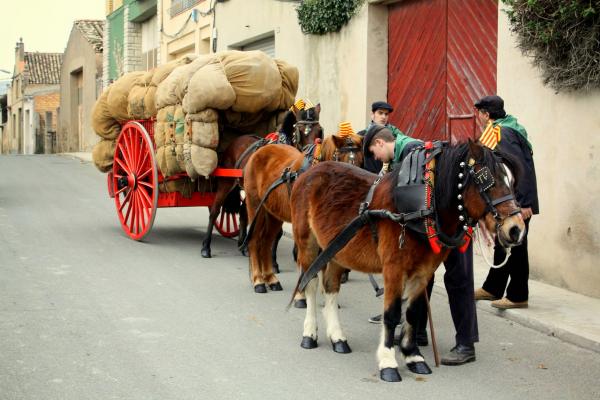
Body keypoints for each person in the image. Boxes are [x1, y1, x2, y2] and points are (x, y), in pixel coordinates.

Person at [364, 124, 479, 365]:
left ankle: (465, 344)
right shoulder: (407, 152)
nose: (376, 158)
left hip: (450, 229)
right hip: (436, 229)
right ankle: (416, 333)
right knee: (423, 278)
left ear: (380, 143)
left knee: (458, 282)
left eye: (374, 153)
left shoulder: (412, 152)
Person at [473, 95, 539, 309]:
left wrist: (524, 203)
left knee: (517, 247)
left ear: (487, 114)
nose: (479, 117)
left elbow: (520, 167)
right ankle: (493, 288)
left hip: (516, 202)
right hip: (510, 200)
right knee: (503, 244)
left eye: (480, 113)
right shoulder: (509, 127)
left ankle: (518, 296)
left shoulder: (500, 133)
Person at [358, 101, 406, 173]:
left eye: (386, 114)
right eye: (380, 113)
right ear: (372, 114)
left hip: (389, 177)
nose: (383, 117)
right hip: (368, 177)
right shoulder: (361, 135)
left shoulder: (396, 134)